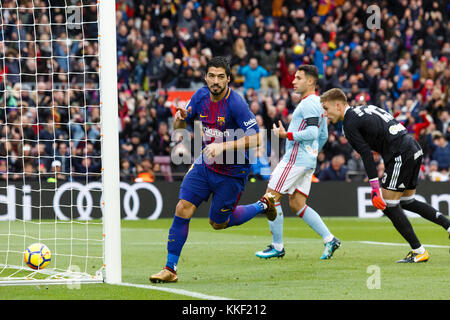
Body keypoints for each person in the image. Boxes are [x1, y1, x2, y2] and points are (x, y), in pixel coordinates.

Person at [149, 56, 276, 283]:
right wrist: (179, 118)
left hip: (232, 172)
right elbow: (180, 126)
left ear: (228, 79)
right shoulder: (199, 96)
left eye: (220, 77)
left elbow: (258, 138)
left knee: (218, 223)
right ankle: (170, 268)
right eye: (211, 76)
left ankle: (262, 205)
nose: (215, 81)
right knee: (183, 208)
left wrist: (223, 146)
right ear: (205, 77)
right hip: (205, 165)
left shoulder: (236, 104)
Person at [320, 88, 450, 263]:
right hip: (412, 146)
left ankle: (418, 250)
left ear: (338, 105)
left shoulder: (349, 124)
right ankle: (448, 225)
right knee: (406, 201)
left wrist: (374, 189)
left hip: (400, 153)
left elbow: (365, 154)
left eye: (326, 109)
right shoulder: (364, 108)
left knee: (388, 204)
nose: (325, 113)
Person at [254, 65, 341, 260]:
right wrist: (312, 153)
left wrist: (287, 134)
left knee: (270, 198)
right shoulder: (318, 104)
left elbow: (311, 133)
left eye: (298, 78)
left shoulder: (308, 104)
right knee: (297, 204)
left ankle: (277, 246)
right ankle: (330, 239)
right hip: (306, 160)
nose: (293, 81)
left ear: (310, 81)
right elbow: (323, 134)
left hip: (295, 159)